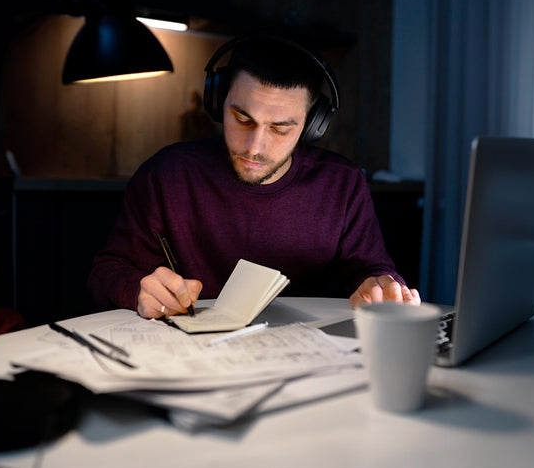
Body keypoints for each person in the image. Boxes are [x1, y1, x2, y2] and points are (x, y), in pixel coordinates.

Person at [88, 35, 420, 320]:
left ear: (312, 125)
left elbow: (371, 271)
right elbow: (107, 270)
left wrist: (381, 286)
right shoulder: (168, 176)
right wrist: (137, 289)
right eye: (242, 118)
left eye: (280, 128)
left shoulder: (342, 184)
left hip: (308, 355)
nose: (254, 147)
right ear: (218, 102)